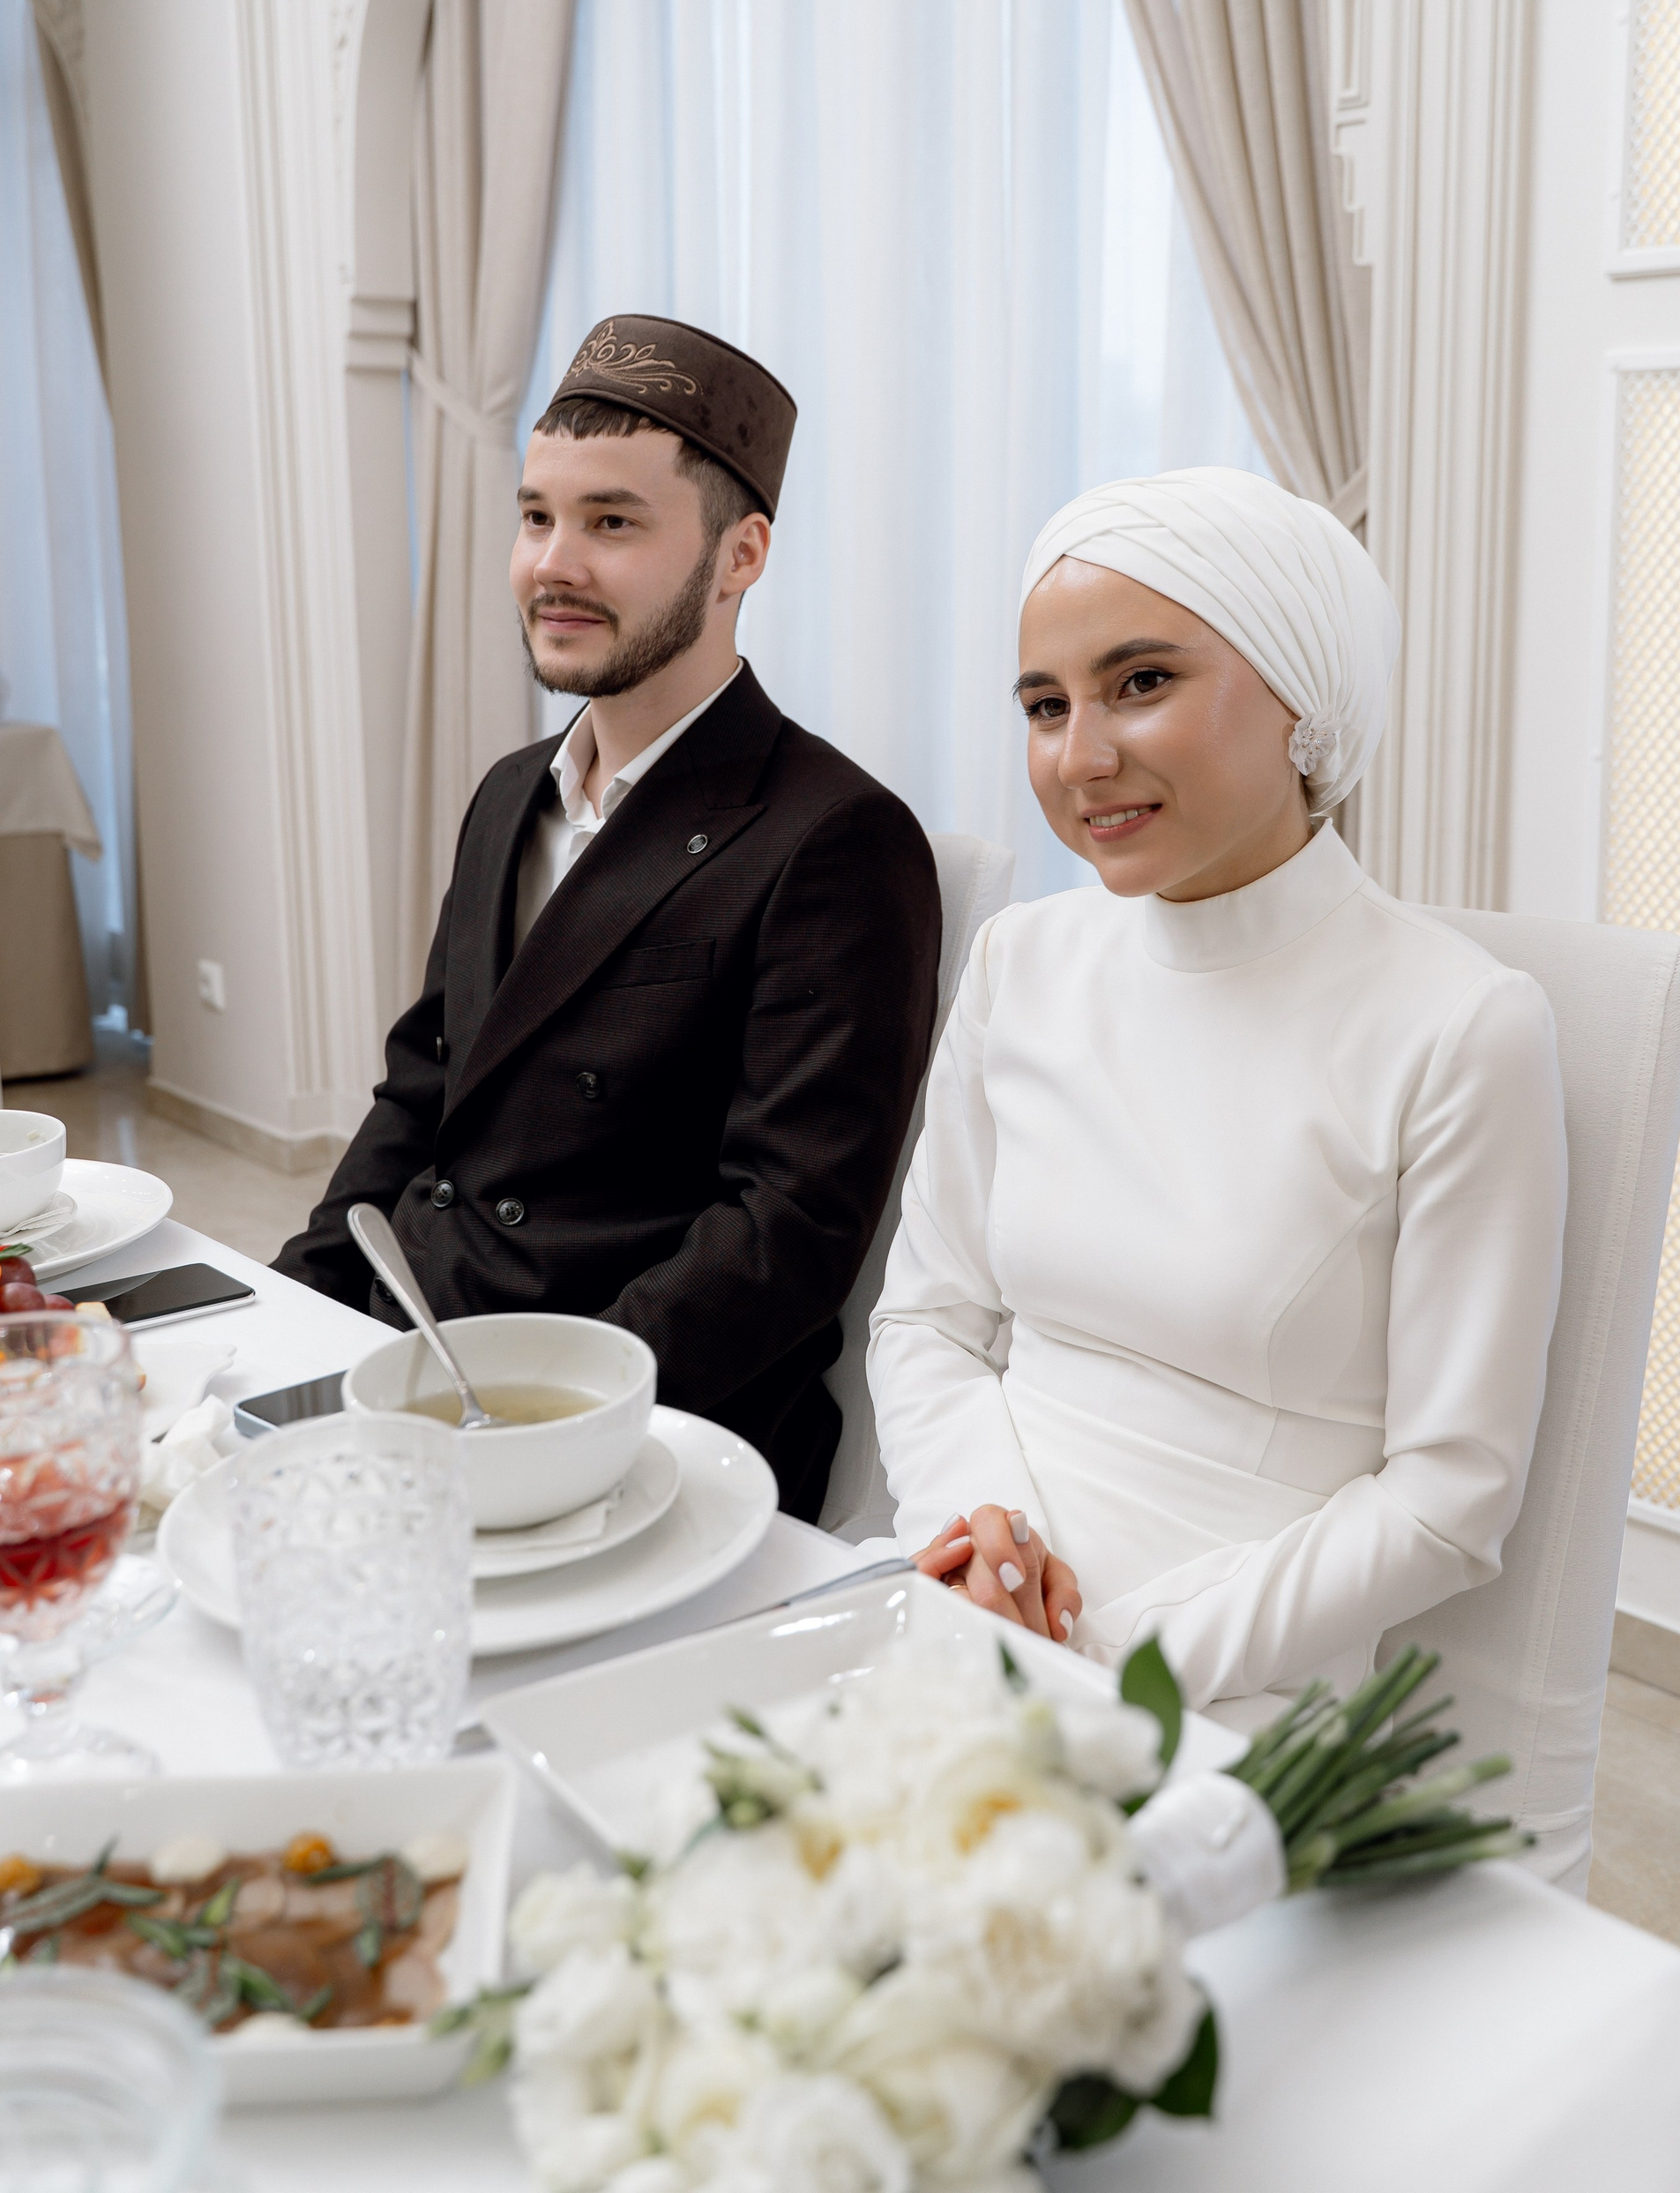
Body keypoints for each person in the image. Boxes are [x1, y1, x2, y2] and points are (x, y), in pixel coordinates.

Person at [865, 468, 1567, 1721]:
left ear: (1304, 695)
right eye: (1045, 705)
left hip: (1233, 1692)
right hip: (968, 1607)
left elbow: (1452, 1499)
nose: (1080, 758)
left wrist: (1112, 1663)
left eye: (1142, 682)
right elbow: (929, 1320)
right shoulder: (1022, 961)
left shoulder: (1461, 1026)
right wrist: (986, 1557)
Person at [278, 315, 942, 1522]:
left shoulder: (835, 836)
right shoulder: (506, 795)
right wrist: (284, 1312)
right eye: (536, 516)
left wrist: (559, 1421)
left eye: (612, 523)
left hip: (637, 1440)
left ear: (741, 555)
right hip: (417, 1363)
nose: (554, 564)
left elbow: (786, 1231)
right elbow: (421, 1094)